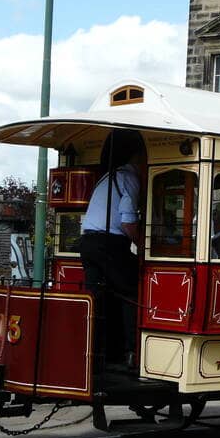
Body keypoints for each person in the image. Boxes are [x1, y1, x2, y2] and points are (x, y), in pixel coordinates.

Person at [79, 129, 145, 371]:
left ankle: (96, 355)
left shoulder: (108, 177)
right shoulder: (130, 178)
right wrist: (145, 247)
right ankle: (131, 353)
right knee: (132, 290)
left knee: (98, 298)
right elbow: (128, 224)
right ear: (139, 158)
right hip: (108, 243)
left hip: (88, 243)